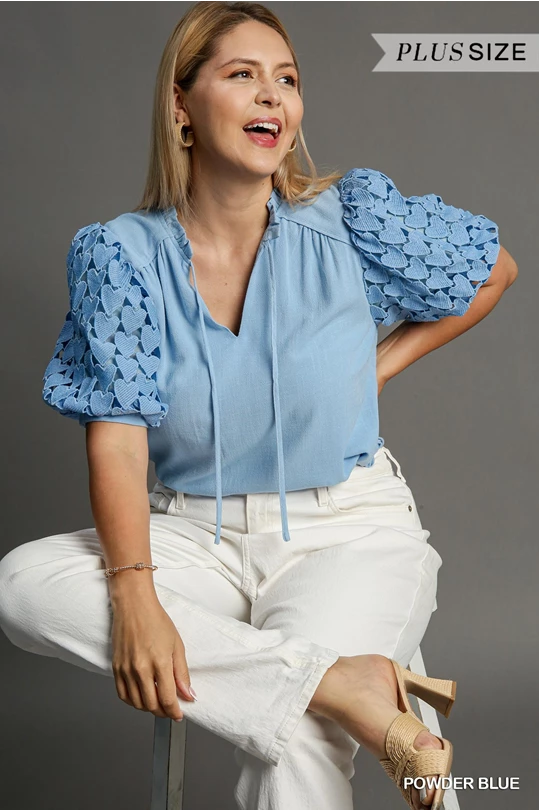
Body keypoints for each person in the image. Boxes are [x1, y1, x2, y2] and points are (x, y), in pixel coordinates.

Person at [0, 2, 518, 810]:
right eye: (242, 75)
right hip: (191, 532)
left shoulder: (348, 221)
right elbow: (119, 438)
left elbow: (493, 271)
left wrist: (376, 369)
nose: (272, 95)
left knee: (297, 738)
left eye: (286, 79)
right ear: (181, 105)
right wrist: (135, 596)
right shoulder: (121, 256)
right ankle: (344, 684)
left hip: (346, 528)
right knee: (23, 587)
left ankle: (316, 691)